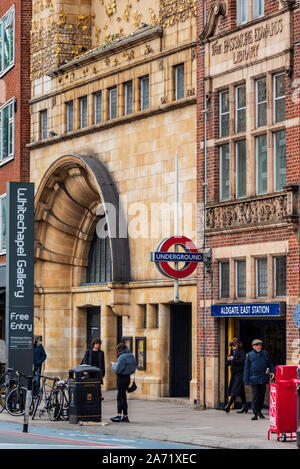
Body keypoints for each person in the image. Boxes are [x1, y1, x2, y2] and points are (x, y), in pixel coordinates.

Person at [243, 338, 275, 420]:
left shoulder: (265, 353)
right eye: (257, 345)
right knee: (255, 397)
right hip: (254, 379)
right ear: (253, 346)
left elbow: (270, 364)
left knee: (262, 396)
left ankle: (259, 411)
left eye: (260, 344)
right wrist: (246, 381)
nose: (259, 346)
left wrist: (273, 372)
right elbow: (246, 369)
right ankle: (255, 413)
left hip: (263, 378)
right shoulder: (249, 355)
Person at [110, 342, 137, 423]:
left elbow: (118, 369)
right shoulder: (131, 355)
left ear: (119, 350)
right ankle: (121, 415)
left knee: (122, 397)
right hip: (127, 378)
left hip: (121, 378)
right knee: (121, 396)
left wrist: (113, 365)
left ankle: (123, 416)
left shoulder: (122, 357)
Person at [224, 337, 247, 413]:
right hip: (234, 373)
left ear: (237, 344)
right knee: (240, 390)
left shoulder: (242, 351)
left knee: (234, 389)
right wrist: (228, 360)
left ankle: (228, 405)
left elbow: (242, 362)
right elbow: (229, 363)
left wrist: (234, 359)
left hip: (240, 373)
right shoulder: (232, 351)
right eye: (232, 346)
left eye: (234, 345)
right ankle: (245, 406)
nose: (233, 347)